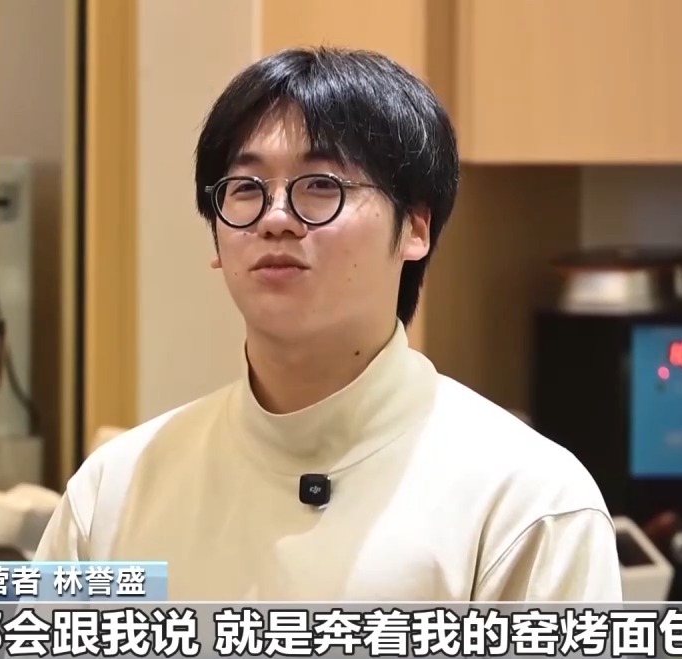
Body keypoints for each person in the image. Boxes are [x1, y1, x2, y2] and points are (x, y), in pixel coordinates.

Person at [35, 47, 622, 601]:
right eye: (245, 189)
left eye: (321, 186)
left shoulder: (528, 502)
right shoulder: (114, 491)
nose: (276, 218)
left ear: (415, 228)